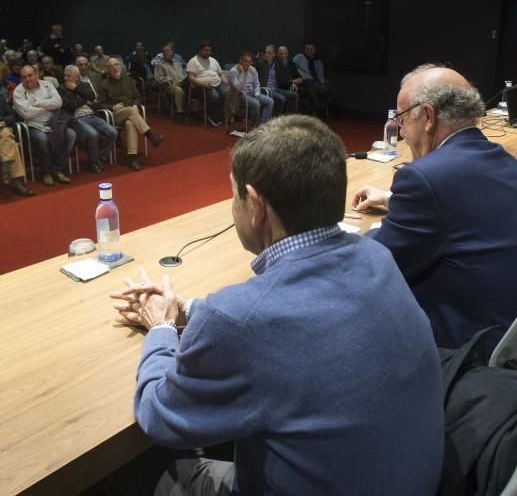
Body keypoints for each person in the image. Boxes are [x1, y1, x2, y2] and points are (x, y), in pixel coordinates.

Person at [111, 115, 443, 495]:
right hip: (410, 480)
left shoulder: (242, 320)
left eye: (232, 195)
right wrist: (187, 310)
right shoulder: (376, 257)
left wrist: (160, 329)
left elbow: (160, 417)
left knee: (162, 475)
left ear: (255, 205)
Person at [353, 65, 517, 347]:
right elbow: (462, 211)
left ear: (427, 116)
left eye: (402, 120)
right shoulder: (505, 161)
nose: (401, 134)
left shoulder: (425, 178)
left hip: (470, 341)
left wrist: (343, 240)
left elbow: (375, 263)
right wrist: (393, 201)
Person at [12, 65, 75, 186]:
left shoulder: (47, 85)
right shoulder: (18, 92)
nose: (28, 79)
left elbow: (59, 102)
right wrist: (48, 108)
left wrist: (37, 103)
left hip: (54, 122)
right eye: (24, 77)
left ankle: (58, 169)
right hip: (33, 124)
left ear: (36, 74)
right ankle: (46, 172)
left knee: (71, 135)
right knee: (42, 139)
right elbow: (27, 113)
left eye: (30, 75)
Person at [98, 57, 164, 170]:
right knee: (131, 111)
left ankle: (132, 157)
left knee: (130, 123)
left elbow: (137, 96)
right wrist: (111, 107)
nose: (114, 68)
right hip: (115, 114)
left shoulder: (128, 80)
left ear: (120, 66)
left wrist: (136, 104)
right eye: (111, 66)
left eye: (116, 65)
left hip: (131, 113)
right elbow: (99, 104)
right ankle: (150, 136)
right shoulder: (104, 84)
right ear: (108, 69)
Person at [59, 64, 117, 173]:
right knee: (93, 134)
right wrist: (84, 100)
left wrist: (76, 88)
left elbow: (91, 96)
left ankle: (99, 156)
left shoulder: (84, 85)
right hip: (76, 118)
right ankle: (93, 162)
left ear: (76, 77)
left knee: (112, 132)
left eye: (68, 76)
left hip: (91, 115)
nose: (65, 78)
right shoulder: (61, 88)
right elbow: (68, 105)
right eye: (65, 76)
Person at [186, 40, 229, 126]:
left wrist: (227, 83)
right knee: (215, 96)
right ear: (200, 50)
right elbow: (190, 77)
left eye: (209, 50)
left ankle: (219, 116)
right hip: (201, 86)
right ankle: (210, 116)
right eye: (205, 50)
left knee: (226, 93)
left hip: (217, 83)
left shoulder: (213, 60)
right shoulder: (193, 61)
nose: (208, 52)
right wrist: (202, 84)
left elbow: (221, 74)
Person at [227, 51, 274, 126]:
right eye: (245, 61)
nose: (247, 64)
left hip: (252, 92)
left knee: (270, 101)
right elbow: (237, 88)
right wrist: (242, 73)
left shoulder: (253, 69)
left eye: (249, 62)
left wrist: (257, 95)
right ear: (240, 61)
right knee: (256, 104)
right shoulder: (233, 71)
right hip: (240, 95)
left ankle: (264, 124)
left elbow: (257, 84)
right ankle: (256, 125)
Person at [293, 43, 335, 116]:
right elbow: (293, 67)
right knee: (310, 84)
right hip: (303, 81)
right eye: (307, 49)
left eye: (311, 49)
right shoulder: (299, 57)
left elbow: (320, 74)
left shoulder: (318, 61)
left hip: (314, 83)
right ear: (305, 50)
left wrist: (322, 84)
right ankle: (317, 106)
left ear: (314, 50)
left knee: (332, 91)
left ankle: (319, 107)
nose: (309, 51)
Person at [153, 42, 187, 119]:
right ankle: (180, 112)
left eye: (167, 50)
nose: (165, 52)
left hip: (182, 82)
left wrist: (185, 79)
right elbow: (159, 78)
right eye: (164, 51)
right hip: (169, 86)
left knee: (192, 86)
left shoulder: (177, 63)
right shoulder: (160, 64)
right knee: (178, 90)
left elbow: (184, 73)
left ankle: (190, 110)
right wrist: (169, 79)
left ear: (172, 52)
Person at [253, 44, 286, 115]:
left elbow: (284, 76)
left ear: (274, 54)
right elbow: (251, 67)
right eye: (266, 53)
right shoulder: (261, 64)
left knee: (294, 95)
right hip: (266, 89)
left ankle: (290, 118)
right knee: (281, 99)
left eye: (269, 53)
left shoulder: (277, 64)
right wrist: (256, 58)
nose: (267, 55)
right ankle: (276, 119)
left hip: (277, 88)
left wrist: (291, 83)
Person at [268, 45, 301, 114]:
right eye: (281, 54)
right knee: (282, 98)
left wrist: (293, 82)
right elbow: (281, 81)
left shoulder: (289, 64)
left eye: (284, 53)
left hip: (283, 86)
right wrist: (291, 82)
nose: (283, 56)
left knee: (295, 95)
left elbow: (298, 76)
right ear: (276, 54)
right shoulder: (276, 63)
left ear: (288, 54)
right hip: (278, 87)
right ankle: (278, 119)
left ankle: (289, 117)